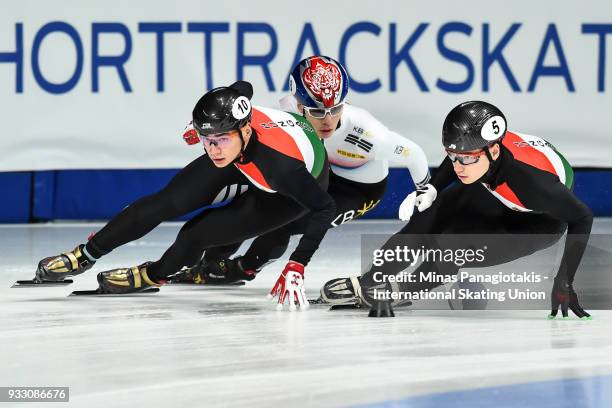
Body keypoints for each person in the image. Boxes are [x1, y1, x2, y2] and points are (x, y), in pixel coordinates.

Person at [35, 81, 335, 310]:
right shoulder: (230, 131)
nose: (213, 149)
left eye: (220, 140)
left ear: (244, 130)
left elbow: (324, 208)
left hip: (287, 194)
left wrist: (298, 263)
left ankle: (152, 275)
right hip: (245, 156)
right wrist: (205, 130)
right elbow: (242, 88)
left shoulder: (281, 168)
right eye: (207, 140)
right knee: (167, 202)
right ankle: (87, 254)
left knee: (196, 235)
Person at [172, 55, 432, 286]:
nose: (328, 120)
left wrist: (424, 191)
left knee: (284, 223)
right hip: (321, 173)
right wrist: (199, 128)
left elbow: (415, 154)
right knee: (257, 205)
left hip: (358, 189)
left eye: (336, 108)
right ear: (298, 106)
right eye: (318, 112)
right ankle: (212, 262)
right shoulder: (287, 109)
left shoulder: (367, 133)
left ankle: (244, 268)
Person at [323, 101, 593, 319]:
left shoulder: (532, 183)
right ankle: (372, 279)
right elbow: (459, 155)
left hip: (538, 223)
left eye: (465, 158)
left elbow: (582, 217)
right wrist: (432, 188)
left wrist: (565, 280)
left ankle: (404, 288)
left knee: (450, 248)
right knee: (427, 217)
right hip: (493, 184)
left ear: (494, 151)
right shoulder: (476, 153)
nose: (457, 165)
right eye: (452, 155)